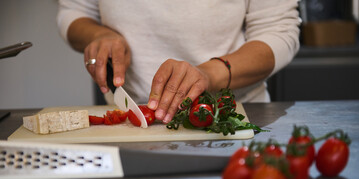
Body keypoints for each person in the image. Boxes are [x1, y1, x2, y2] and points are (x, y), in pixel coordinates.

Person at [57, 0, 300, 124]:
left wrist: (210, 74)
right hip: (128, 119)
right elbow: (74, 12)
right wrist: (99, 35)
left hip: (231, 117)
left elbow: (279, 31)